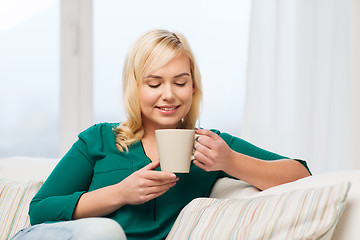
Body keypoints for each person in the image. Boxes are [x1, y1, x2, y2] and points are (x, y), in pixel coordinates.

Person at [11, 29, 311, 240]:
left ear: (193, 88)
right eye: (154, 84)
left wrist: (230, 162)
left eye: (180, 82)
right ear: (135, 88)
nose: (168, 95)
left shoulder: (209, 146)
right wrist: (120, 193)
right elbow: (40, 210)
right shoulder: (99, 139)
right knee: (105, 232)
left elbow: (301, 174)